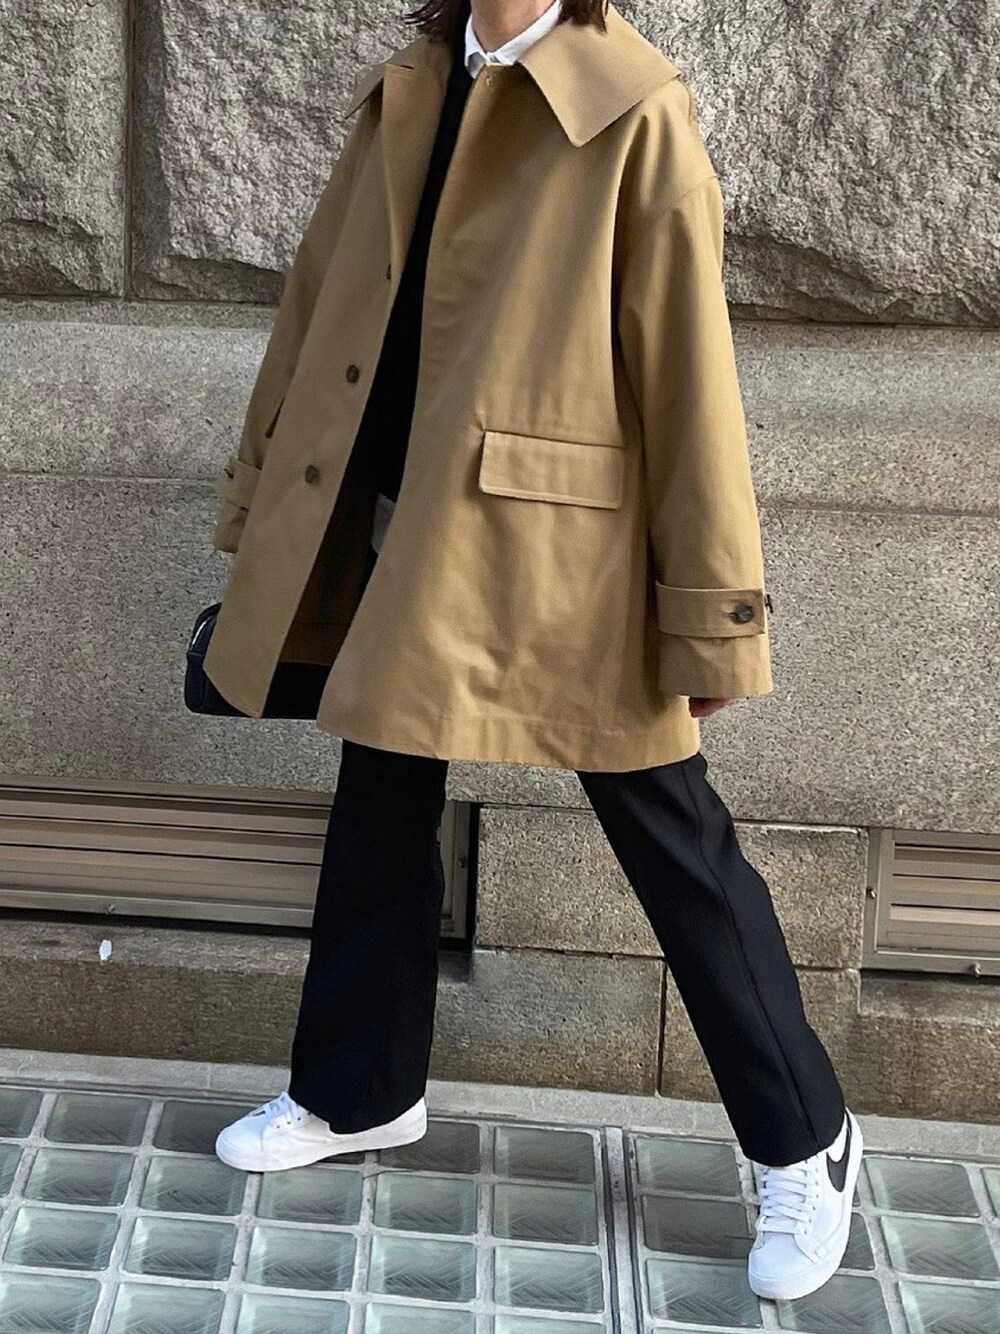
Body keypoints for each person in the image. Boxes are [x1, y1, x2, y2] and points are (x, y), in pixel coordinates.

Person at [208, 0, 863, 1302]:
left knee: (668, 827)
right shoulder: (408, 88)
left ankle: (807, 1135)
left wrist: (710, 608)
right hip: (388, 526)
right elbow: (316, 306)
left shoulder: (633, 105)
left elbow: (689, 376)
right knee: (381, 792)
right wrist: (261, 495)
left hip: (561, 554)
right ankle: (359, 1087)